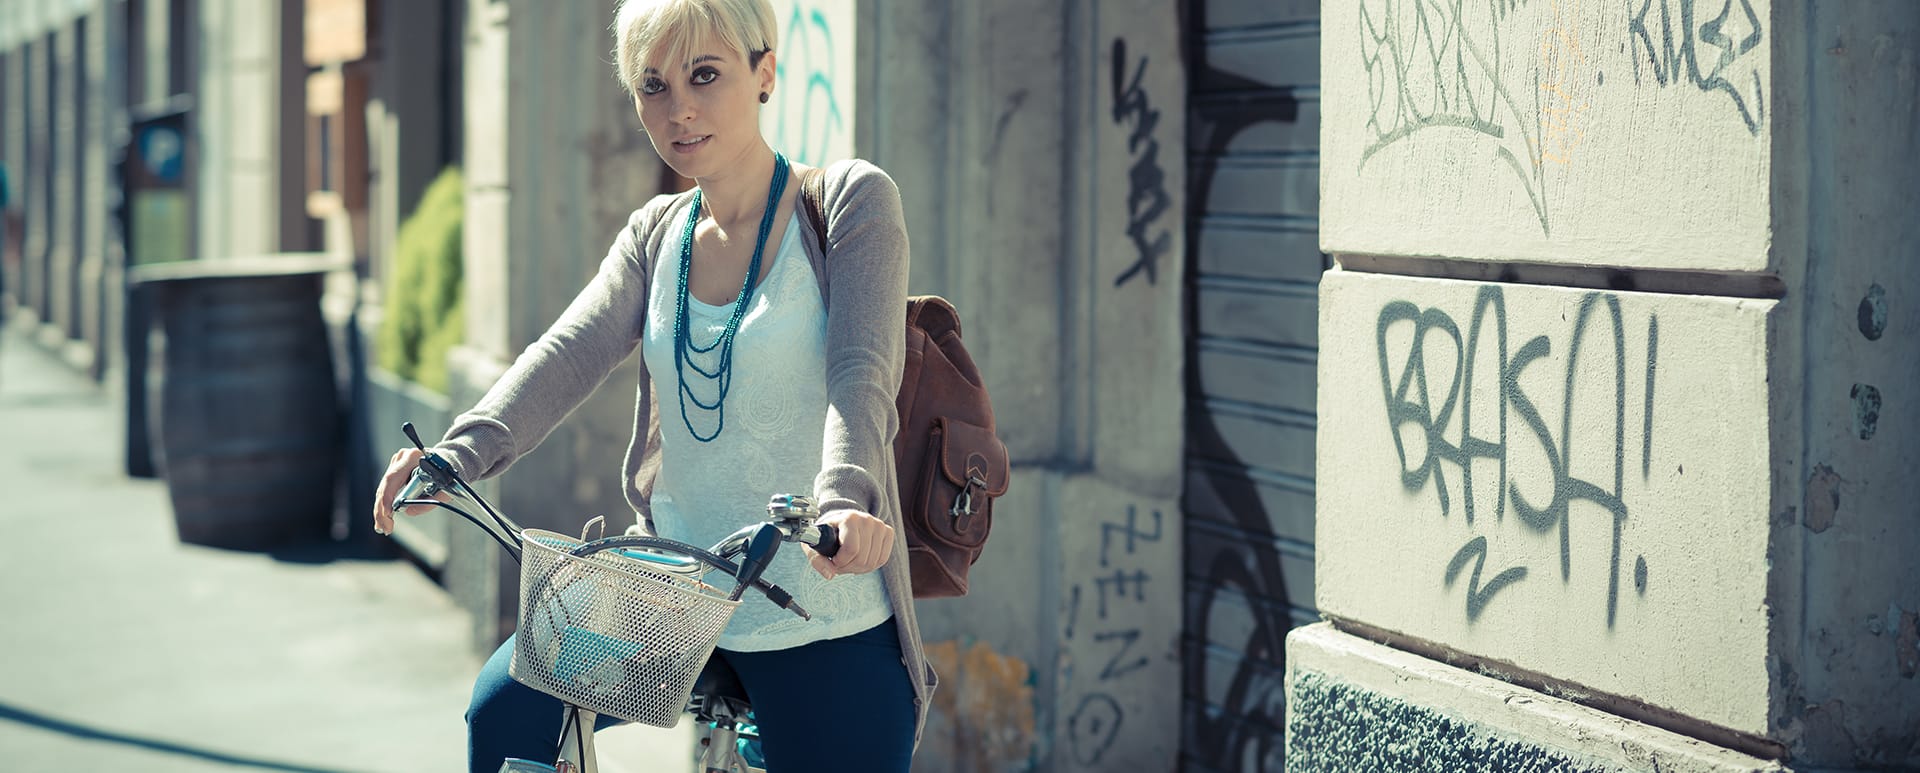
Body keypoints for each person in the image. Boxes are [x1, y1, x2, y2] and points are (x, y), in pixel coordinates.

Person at [371, 0, 931, 770]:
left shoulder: (847, 204)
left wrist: (843, 500)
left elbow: (862, 372)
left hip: (816, 598)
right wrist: (453, 456)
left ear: (765, 73)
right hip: (673, 592)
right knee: (504, 716)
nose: (681, 109)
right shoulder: (656, 234)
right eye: (654, 85)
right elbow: (567, 352)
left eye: (706, 75)